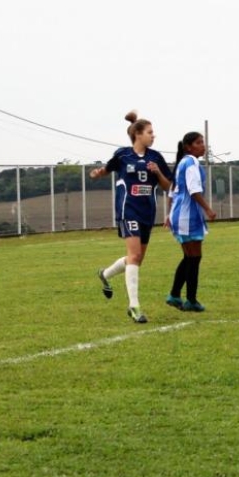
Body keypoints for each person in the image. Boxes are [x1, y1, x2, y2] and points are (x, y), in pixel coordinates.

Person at [90, 111, 173, 324]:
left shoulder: (156, 157)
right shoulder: (123, 155)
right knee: (134, 256)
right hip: (128, 210)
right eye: (150, 132)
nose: (153, 136)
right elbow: (107, 169)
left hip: (147, 212)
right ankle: (134, 307)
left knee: (136, 259)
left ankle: (105, 274)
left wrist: (158, 172)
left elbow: (168, 187)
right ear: (138, 134)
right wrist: (99, 173)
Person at [165, 132, 217, 312]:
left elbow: (172, 191)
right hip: (187, 216)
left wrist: (169, 214)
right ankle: (191, 300)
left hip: (179, 215)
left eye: (203, 142)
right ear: (188, 147)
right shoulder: (191, 162)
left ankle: (174, 295)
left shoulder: (182, 162)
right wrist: (208, 209)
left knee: (190, 257)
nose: (203, 145)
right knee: (194, 258)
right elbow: (194, 190)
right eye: (198, 142)